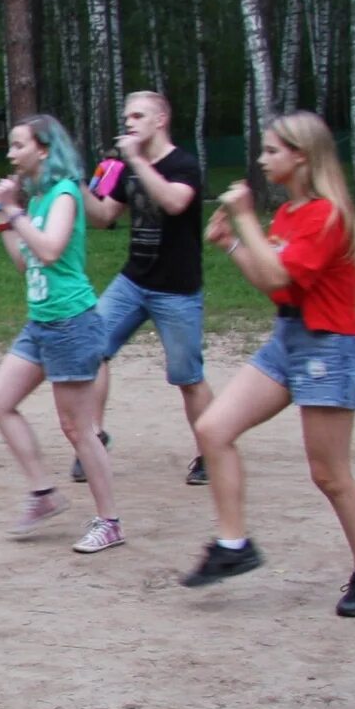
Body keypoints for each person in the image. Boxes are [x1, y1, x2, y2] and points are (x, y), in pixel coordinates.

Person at [182, 111, 355, 617]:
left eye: (272, 150)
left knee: (329, 474)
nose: (262, 159)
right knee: (213, 429)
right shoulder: (291, 215)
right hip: (289, 339)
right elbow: (275, 282)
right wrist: (232, 241)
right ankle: (234, 545)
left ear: (302, 155)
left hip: (329, 348)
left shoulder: (326, 215)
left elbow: (277, 270)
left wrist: (246, 218)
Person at [0, 114, 122, 554]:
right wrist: (5, 215)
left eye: (18, 144)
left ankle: (109, 521)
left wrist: (16, 210)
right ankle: (44, 493)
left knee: (78, 428)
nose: (11, 153)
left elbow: (50, 248)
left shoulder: (63, 194)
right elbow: (27, 262)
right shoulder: (39, 200)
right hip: (41, 320)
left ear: (43, 149)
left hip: (71, 321)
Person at [84, 91, 212, 486]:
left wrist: (136, 159)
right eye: (127, 118)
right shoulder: (126, 169)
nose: (130, 123)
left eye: (138, 116)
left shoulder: (183, 164)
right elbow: (105, 216)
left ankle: (211, 450)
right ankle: (94, 440)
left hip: (176, 288)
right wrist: (74, 185)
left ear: (161, 120)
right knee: (93, 349)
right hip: (133, 280)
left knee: (187, 377)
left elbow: (175, 202)